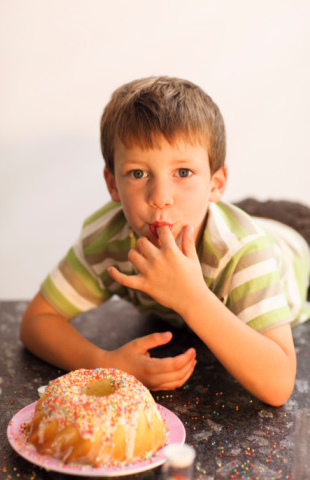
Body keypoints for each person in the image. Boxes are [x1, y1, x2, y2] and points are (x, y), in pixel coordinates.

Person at [20, 76, 310, 406]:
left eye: (183, 172)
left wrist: (191, 297)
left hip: (296, 244)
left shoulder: (246, 255)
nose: (160, 198)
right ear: (112, 184)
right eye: (138, 174)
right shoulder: (108, 241)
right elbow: (36, 322)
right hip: (216, 216)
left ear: (217, 183)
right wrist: (104, 363)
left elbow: (279, 384)